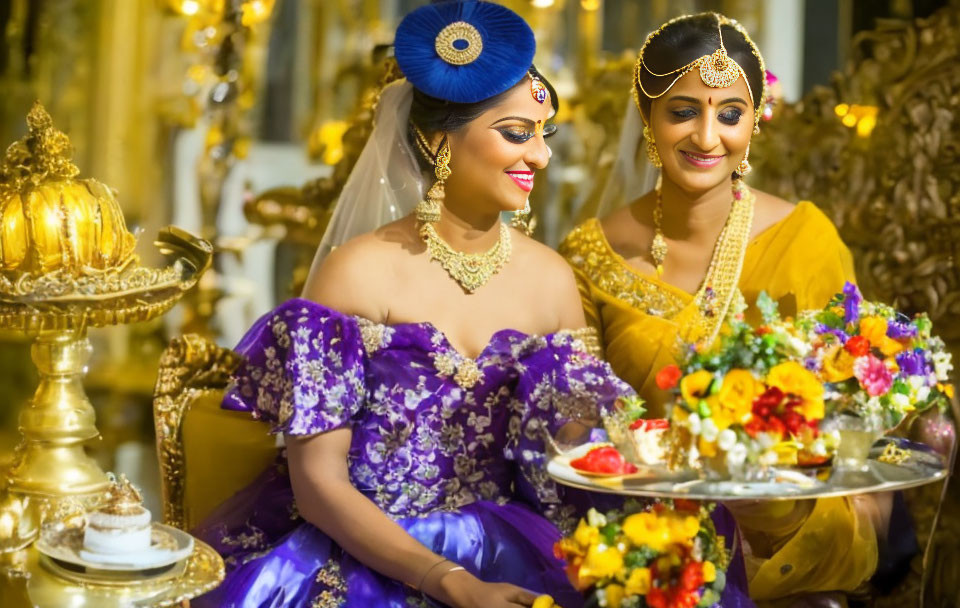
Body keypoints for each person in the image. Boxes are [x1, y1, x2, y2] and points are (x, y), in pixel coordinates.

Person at [191, 2, 640, 607]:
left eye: (543, 135)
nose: (541, 157)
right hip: (364, 556)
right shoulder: (355, 274)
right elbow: (319, 483)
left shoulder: (553, 280)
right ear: (437, 142)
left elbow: (570, 467)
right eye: (516, 134)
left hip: (516, 551)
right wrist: (445, 580)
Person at [558, 13, 888, 604]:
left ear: (753, 123)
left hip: (783, 518)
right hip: (638, 528)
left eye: (730, 114)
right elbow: (578, 426)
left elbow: (847, 416)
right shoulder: (590, 253)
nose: (707, 138)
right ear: (647, 117)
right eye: (683, 111)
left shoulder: (805, 239)